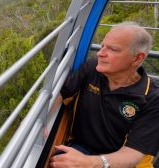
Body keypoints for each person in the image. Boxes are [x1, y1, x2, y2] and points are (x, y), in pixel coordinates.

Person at [49, 22, 159, 168]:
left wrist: (90, 163)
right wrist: (41, 120)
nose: (100, 53)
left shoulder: (153, 98)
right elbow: (61, 94)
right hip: (81, 149)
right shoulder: (92, 68)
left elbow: (133, 154)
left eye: (112, 49)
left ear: (137, 58)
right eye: (102, 46)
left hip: (122, 163)